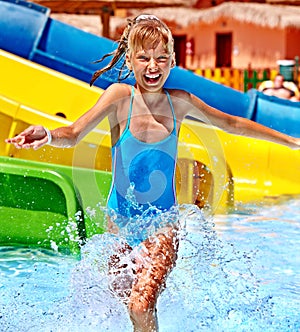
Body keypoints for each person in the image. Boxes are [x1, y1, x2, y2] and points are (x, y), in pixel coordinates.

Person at [5, 15, 300, 332]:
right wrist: (48, 135)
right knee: (121, 308)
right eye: (143, 57)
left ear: (172, 60)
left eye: (161, 57)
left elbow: (233, 124)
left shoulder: (180, 103)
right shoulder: (120, 98)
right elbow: (75, 133)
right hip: (118, 228)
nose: (152, 65)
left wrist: (292, 141)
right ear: (130, 60)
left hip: (162, 226)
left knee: (141, 304)